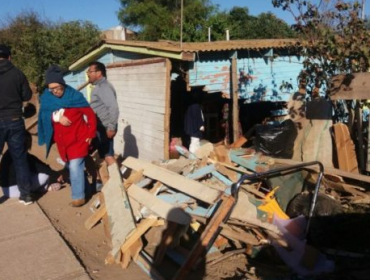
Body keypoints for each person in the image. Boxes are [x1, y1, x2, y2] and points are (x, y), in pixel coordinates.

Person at [38, 65, 97, 207]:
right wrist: (56, 118)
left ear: (63, 84)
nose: (55, 91)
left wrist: (90, 134)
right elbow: (44, 116)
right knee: (73, 167)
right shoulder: (47, 98)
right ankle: (88, 190)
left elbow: (91, 116)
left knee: (75, 166)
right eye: (52, 89)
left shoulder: (75, 97)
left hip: (79, 139)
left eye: (58, 87)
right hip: (63, 142)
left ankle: (78, 197)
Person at [0, 44, 34, 205]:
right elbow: (27, 95)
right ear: (9, 57)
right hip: (14, 120)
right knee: (20, 159)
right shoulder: (18, 74)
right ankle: (26, 195)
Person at [1, 131, 62, 197]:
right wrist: (55, 174)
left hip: (5, 189)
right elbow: (39, 167)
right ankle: (43, 188)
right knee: (45, 175)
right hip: (15, 190)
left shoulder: (10, 151)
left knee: (32, 172)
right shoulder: (21, 155)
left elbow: (33, 160)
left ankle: (40, 188)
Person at [86, 61, 119, 167]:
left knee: (107, 155)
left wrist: (111, 127)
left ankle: (117, 181)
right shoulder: (99, 87)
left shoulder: (104, 87)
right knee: (104, 155)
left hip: (104, 128)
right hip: (100, 127)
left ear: (99, 73)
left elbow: (113, 107)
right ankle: (107, 179)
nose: (88, 74)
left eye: (90, 71)